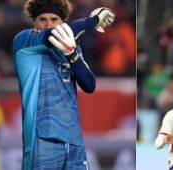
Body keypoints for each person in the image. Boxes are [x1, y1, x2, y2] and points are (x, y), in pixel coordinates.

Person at [12, 0, 115, 169]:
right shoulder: (25, 41)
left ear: (62, 21)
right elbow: (56, 34)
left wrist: (72, 54)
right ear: (34, 21)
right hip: (42, 139)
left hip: (74, 140)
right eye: (42, 19)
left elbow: (89, 85)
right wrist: (94, 20)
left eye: (54, 19)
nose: (48, 24)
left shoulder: (71, 47)